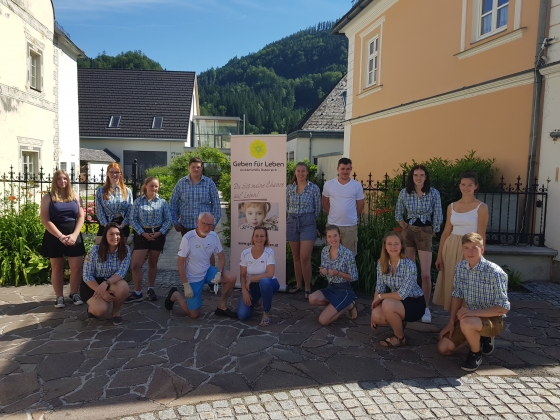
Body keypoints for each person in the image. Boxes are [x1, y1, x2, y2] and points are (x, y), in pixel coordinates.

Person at [437, 233, 509, 372]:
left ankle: (475, 353)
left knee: (466, 322)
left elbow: (503, 308)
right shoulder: (460, 267)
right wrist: (451, 322)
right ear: (462, 249)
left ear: (482, 249)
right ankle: (477, 337)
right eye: (466, 248)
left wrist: (472, 313)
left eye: (474, 248)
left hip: (492, 319)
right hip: (470, 317)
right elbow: (457, 295)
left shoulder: (495, 273)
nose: (470, 252)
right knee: (443, 348)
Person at [164, 212, 237, 319]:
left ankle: (222, 306)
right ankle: (175, 295)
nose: (207, 228)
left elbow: (221, 257)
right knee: (193, 315)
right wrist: (185, 284)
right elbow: (180, 263)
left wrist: (219, 272)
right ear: (197, 222)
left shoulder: (213, 236)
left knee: (231, 277)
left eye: (210, 225)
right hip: (193, 277)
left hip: (207, 271)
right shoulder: (188, 238)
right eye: (204, 224)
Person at [433, 171, 489, 311]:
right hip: (451, 247)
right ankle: (453, 319)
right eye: (463, 184)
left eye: (470, 185)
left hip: (470, 247)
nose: (466, 188)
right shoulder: (451, 207)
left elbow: (481, 234)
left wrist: (480, 257)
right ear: (459, 186)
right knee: (452, 281)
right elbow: (446, 232)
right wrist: (439, 256)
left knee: (467, 282)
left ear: (476, 186)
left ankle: (465, 317)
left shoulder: (482, 207)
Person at [395, 165, 443, 324]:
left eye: (422, 175)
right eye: (416, 175)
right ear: (412, 176)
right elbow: (398, 212)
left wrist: (434, 230)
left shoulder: (433, 193)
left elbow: (438, 213)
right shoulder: (405, 192)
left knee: (425, 274)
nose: (418, 178)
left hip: (425, 232)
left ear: (426, 177)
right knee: (410, 271)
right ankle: (410, 303)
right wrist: (404, 226)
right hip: (409, 232)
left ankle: (425, 307)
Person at [370, 231, 426, 347]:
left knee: (387, 304)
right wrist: (373, 309)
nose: (393, 247)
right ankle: (400, 322)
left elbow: (401, 294)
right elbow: (379, 287)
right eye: (389, 244)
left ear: (401, 246)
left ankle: (399, 338)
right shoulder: (381, 264)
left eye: (396, 244)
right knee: (376, 315)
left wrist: (381, 297)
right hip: (397, 302)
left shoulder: (409, 265)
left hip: (414, 302)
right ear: (385, 247)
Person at [40, 170, 86, 308]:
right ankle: (59, 297)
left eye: (65, 178)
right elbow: (45, 219)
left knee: (77, 267)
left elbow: (81, 216)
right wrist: (60, 236)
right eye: (59, 179)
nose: (62, 181)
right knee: (57, 268)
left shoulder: (76, 196)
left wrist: (74, 235)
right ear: (55, 181)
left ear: (68, 180)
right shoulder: (48, 197)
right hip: (54, 235)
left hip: (73, 233)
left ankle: (74, 293)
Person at [126, 177, 172, 303]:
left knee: (152, 263)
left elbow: (168, 220)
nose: (154, 188)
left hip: (158, 234)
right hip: (142, 234)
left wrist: (160, 232)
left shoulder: (162, 202)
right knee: (135, 265)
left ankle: (151, 289)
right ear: (146, 186)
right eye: (151, 185)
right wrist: (142, 233)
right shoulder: (138, 201)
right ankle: (137, 292)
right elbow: (132, 219)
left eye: (156, 186)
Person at [80, 222, 131, 325]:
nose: (115, 237)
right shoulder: (95, 250)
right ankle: (92, 309)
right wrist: (102, 292)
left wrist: (106, 283)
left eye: (118, 234)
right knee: (101, 310)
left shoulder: (125, 250)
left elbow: (121, 272)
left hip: (110, 282)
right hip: (92, 284)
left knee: (123, 286)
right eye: (111, 234)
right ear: (105, 236)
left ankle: (116, 312)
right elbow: (87, 275)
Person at [308, 225, 358, 325]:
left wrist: (337, 273)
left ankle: (348, 304)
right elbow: (323, 270)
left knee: (323, 320)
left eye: (335, 236)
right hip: (331, 287)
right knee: (312, 298)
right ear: (326, 238)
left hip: (344, 289)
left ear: (340, 236)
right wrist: (323, 272)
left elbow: (354, 277)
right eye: (329, 236)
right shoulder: (324, 251)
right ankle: (341, 305)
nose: (333, 239)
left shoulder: (347, 253)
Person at [287, 162, 321, 299]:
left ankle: (308, 287)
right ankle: (298, 284)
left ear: (307, 173)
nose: (300, 173)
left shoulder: (314, 188)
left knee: (305, 257)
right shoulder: (289, 188)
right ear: (295, 173)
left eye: (303, 171)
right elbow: (287, 205)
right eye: (298, 171)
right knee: (296, 257)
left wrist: (308, 219)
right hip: (292, 222)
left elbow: (317, 208)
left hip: (308, 223)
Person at [237, 227, 280, 326]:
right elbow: (242, 275)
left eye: (262, 236)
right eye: (256, 236)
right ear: (253, 237)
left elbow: (270, 274)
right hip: (252, 286)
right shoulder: (245, 253)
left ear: (265, 238)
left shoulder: (269, 252)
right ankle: (256, 300)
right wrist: (244, 291)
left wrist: (251, 278)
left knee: (265, 282)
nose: (259, 238)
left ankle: (266, 313)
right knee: (243, 315)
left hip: (269, 283)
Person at [321, 157, 364, 255]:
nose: (345, 171)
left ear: (351, 169)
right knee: (331, 255)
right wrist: (333, 214)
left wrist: (353, 216)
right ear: (338, 169)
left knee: (349, 255)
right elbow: (324, 203)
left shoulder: (356, 185)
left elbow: (361, 204)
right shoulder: (329, 184)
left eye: (348, 169)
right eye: (342, 169)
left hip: (350, 226)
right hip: (332, 225)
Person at [170, 157, 221, 236]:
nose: (195, 169)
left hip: (205, 227)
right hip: (186, 226)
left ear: (202, 168)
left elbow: (216, 205)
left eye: (198, 167)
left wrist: (213, 224)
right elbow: (173, 203)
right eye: (193, 167)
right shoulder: (181, 183)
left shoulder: (209, 183)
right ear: (189, 168)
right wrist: (175, 222)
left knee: (205, 245)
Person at [95, 163, 133, 245]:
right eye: (111, 172)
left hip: (122, 223)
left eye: (116, 172)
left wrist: (122, 225)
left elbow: (130, 210)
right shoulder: (101, 191)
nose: (114, 174)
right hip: (106, 223)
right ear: (107, 173)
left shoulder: (127, 191)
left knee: (120, 250)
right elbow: (99, 210)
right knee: (100, 248)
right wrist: (106, 226)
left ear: (120, 174)